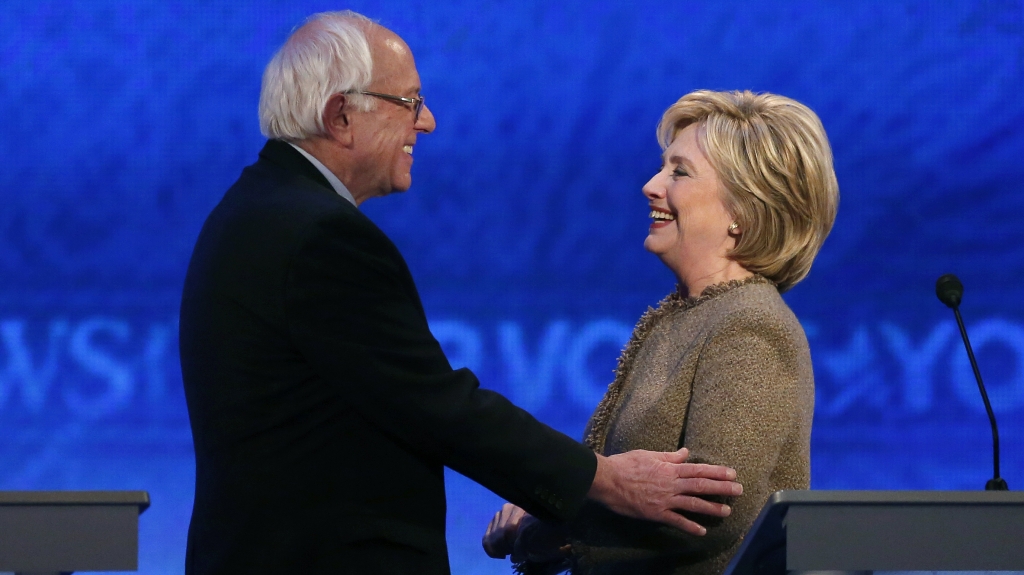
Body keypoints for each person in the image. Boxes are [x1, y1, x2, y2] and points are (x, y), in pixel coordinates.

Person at [178, 12, 744, 575]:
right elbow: (437, 406)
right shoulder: (319, 236)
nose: (427, 121)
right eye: (410, 101)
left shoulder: (256, 210)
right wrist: (605, 480)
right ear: (342, 115)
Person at [483, 89, 839, 575]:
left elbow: (710, 513)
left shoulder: (751, 326)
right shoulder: (684, 316)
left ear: (743, 212)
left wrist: (552, 532)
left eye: (679, 172)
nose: (651, 186)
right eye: (662, 167)